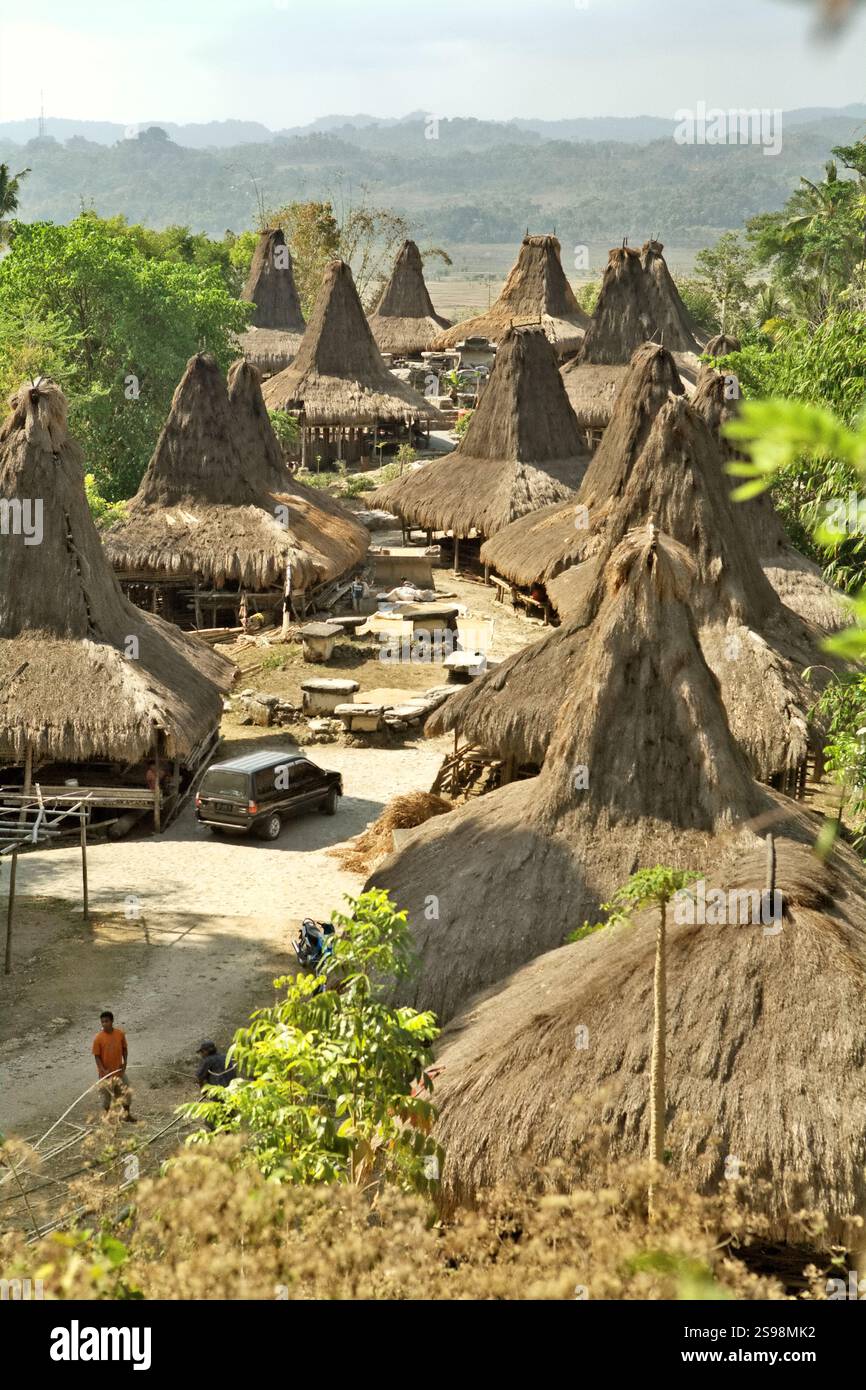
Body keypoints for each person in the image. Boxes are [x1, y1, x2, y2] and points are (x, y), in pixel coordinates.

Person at [92, 1011, 134, 1121]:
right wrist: (103, 1070)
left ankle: (127, 1115)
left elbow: (124, 1049)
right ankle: (109, 1120)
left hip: (119, 1071)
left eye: (106, 1021)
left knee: (126, 1093)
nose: (104, 1024)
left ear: (112, 1021)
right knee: (106, 1099)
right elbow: (97, 1056)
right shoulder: (98, 1038)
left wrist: (125, 1062)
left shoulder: (119, 1034)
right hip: (106, 1075)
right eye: (102, 1022)